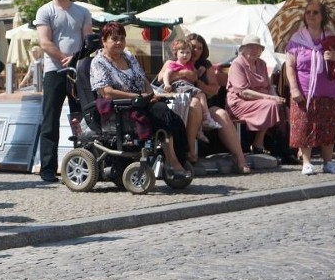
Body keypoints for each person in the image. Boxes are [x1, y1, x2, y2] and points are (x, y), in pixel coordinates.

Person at [89, 22, 191, 178]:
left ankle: (180, 159)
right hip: (121, 107)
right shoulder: (98, 62)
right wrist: (137, 97)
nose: (119, 42)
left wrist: (151, 95)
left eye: (122, 38)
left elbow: (143, 80)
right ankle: (174, 162)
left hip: (142, 102)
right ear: (104, 40)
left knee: (172, 118)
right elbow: (107, 92)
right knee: (164, 116)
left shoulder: (129, 56)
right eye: (114, 38)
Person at [34, 0, 92, 183]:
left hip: (77, 72)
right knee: (50, 120)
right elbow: (45, 42)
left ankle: (85, 162)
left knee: (82, 119)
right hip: (54, 71)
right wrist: (64, 58)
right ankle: (48, 168)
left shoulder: (82, 11)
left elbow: (87, 40)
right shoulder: (44, 11)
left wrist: (76, 60)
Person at [284, 0, 335, 176]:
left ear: (322, 16)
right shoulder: (296, 39)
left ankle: (328, 162)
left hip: (330, 91)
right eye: (308, 12)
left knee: (329, 126)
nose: (311, 15)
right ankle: (307, 162)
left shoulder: (332, 38)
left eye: (315, 12)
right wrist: (294, 89)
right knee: (305, 126)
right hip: (304, 91)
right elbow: (290, 66)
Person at [185, 33, 252, 174]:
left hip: (206, 105)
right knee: (194, 105)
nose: (196, 51)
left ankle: (240, 159)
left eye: (200, 48)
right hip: (185, 105)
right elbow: (161, 77)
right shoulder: (176, 61)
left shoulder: (205, 65)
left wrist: (200, 84)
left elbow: (215, 89)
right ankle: (190, 155)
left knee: (221, 114)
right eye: (193, 47)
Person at [226, 35, 287, 157]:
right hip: (240, 102)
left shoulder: (261, 64)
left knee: (283, 107)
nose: (254, 50)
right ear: (242, 49)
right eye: (250, 47)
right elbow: (243, 92)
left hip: (261, 100)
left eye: (257, 48)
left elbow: (269, 86)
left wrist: (275, 96)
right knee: (270, 105)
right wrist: (270, 98)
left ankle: (284, 149)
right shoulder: (237, 64)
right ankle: (258, 143)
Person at [162, 38, 223, 132]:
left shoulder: (193, 64)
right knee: (200, 96)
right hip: (180, 86)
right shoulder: (173, 63)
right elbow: (163, 76)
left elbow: (195, 76)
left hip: (188, 87)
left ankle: (200, 128)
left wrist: (200, 73)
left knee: (200, 98)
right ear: (176, 53)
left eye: (200, 48)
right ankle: (207, 118)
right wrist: (170, 82)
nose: (185, 55)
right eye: (194, 47)